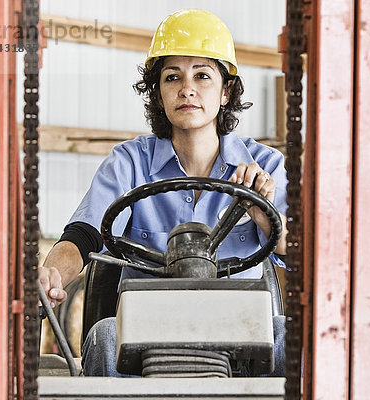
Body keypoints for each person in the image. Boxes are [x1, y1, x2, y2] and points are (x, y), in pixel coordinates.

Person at [38, 8, 288, 377]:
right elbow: (83, 235)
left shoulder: (265, 166)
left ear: (226, 91)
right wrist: (52, 275)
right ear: (159, 92)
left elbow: (299, 253)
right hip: (147, 331)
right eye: (173, 77)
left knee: (286, 333)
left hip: (242, 330)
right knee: (106, 335)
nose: (187, 88)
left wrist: (264, 216)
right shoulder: (129, 163)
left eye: (203, 75)